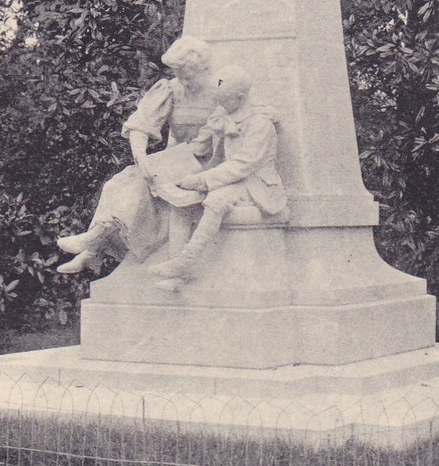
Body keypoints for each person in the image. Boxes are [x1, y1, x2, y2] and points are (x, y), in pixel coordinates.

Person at [56, 36, 219, 274]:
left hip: (206, 162)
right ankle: (92, 247)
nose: (183, 80)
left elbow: (208, 143)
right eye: (178, 73)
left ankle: (93, 245)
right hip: (175, 160)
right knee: (122, 181)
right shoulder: (171, 89)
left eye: (188, 74)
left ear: (204, 68)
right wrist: (141, 158)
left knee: (142, 185)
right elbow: (141, 124)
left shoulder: (219, 91)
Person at [149, 65, 288, 287]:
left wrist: (201, 181)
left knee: (216, 199)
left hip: (255, 183)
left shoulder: (259, 123)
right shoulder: (223, 113)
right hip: (224, 178)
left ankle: (186, 261)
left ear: (241, 97)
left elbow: (242, 165)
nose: (220, 105)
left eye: (225, 101)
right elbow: (200, 145)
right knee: (180, 203)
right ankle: (175, 273)